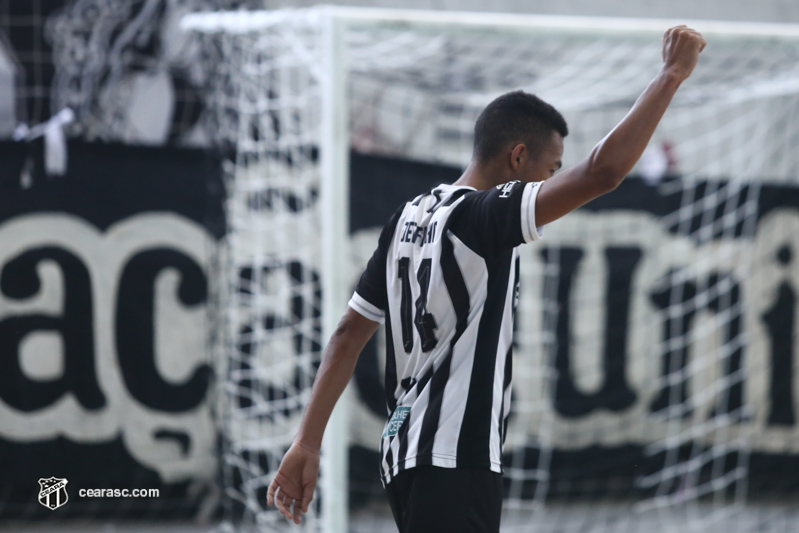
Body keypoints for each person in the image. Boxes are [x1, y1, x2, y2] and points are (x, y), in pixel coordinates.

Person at [267, 25, 706, 532]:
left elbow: (347, 335)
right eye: (550, 168)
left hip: (403, 452)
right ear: (517, 158)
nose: (551, 182)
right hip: (454, 458)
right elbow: (601, 173)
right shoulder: (481, 215)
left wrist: (306, 441)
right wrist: (671, 74)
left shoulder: (407, 219)